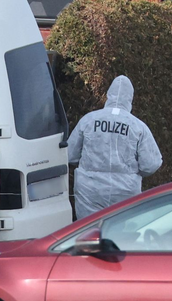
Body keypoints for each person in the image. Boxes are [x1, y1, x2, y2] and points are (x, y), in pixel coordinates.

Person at [67, 75, 162, 220]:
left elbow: (70, 154)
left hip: (90, 190)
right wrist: (133, 173)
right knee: (122, 233)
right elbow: (151, 164)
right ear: (130, 98)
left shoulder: (89, 120)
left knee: (89, 231)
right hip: (125, 192)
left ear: (108, 95)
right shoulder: (138, 126)